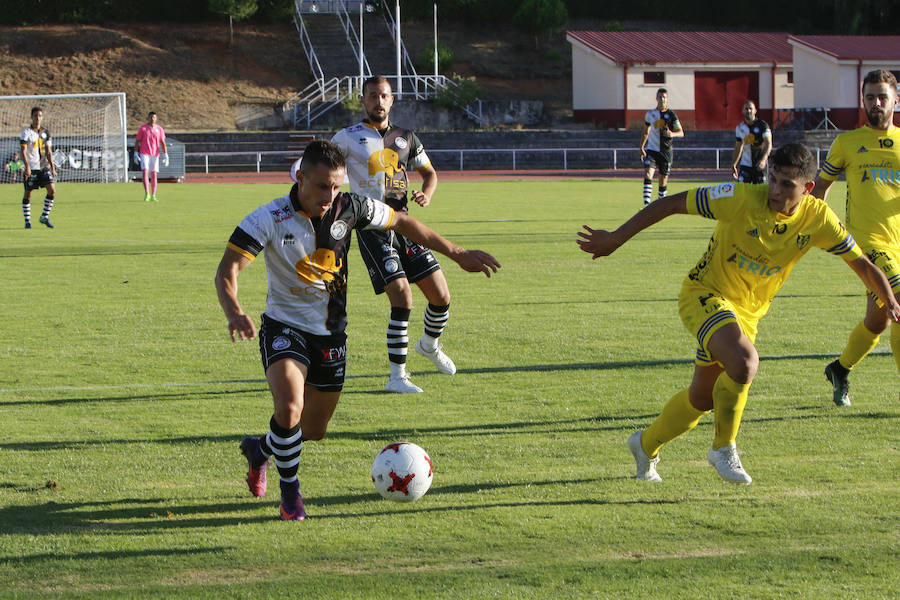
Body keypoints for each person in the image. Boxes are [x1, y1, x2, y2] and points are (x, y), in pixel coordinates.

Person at [577, 143, 900, 485]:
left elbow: (862, 264)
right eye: (772, 179)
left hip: (747, 314)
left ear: (807, 189)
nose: (775, 190)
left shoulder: (819, 219)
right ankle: (723, 448)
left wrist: (890, 300)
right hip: (704, 293)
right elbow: (671, 203)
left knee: (700, 400)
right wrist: (616, 238)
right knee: (745, 362)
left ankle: (645, 445)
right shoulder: (740, 197)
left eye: (787, 184)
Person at [215, 140, 500, 520]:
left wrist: (458, 253)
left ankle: (260, 449)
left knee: (311, 430)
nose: (329, 196)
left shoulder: (350, 208)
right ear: (300, 178)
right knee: (289, 407)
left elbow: (401, 221)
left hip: (331, 333)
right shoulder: (268, 217)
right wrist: (234, 311)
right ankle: (291, 494)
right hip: (284, 327)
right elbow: (227, 269)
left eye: (336, 186)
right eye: (321, 186)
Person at [332, 76, 456, 393]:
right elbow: (324, 165)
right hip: (373, 228)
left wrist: (427, 193)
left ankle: (429, 345)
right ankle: (396, 376)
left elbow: (429, 173)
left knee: (441, 296)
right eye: (372, 95)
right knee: (402, 296)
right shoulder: (348, 137)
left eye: (384, 96)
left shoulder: (406, 137)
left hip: (404, 224)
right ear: (363, 100)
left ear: (391, 100)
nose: (378, 101)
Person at [814, 69, 900, 406]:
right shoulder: (847, 143)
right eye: (869, 97)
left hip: (897, 244)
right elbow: (820, 189)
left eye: (882, 96)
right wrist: (816, 230)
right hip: (867, 247)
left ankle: (839, 369)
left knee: (877, 322)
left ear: (896, 99)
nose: (876, 103)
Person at [639, 88, 684, 206]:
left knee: (662, 180)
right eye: (660, 97)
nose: (662, 99)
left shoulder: (671, 115)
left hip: (666, 152)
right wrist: (642, 147)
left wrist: (672, 134)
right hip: (652, 150)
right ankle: (646, 206)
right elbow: (645, 132)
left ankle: (660, 206)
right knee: (648, 173)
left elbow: (681, 133)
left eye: (664, 97)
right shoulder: (650, 114)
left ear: (667, 99)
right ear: (656, 98)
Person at [20, 106, 57, 229]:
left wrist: (52, 167)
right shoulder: (26, 132)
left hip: (43, 167)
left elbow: (48, 151)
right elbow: (23, 151)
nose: (38, 118)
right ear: (32, 117)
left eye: (40, 115)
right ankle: (27, 221)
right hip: (31, 167)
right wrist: (27, 167)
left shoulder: (45, 132)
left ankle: (44, 217)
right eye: (36, 115)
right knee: (28, 194)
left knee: (52, 190)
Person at [731, 100, 772, 184]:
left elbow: (768, 143)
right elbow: (739, 146)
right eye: (746, 109)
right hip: (745, 165)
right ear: (742, 111)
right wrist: (734, 164)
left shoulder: (763, 125)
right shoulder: (740, 128)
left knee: (761, 192)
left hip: (759, 165)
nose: (748, 111)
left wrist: (763, 160)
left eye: (750, 108)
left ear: (755, 111)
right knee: (742, 190)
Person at [134, 111, 168, 202]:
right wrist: (135, 153)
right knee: (145, 171)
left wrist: (165, 154)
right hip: (144, 153)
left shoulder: (159, 129)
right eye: (150, 117)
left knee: (154, 174)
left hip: (155, 154)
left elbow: (162, 142)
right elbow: (137, 141)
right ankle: (147, 193)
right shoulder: (143, 129)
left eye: (154, 117)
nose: (152, 119)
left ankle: (153, 195)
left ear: (156, 118)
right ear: (148, 118)